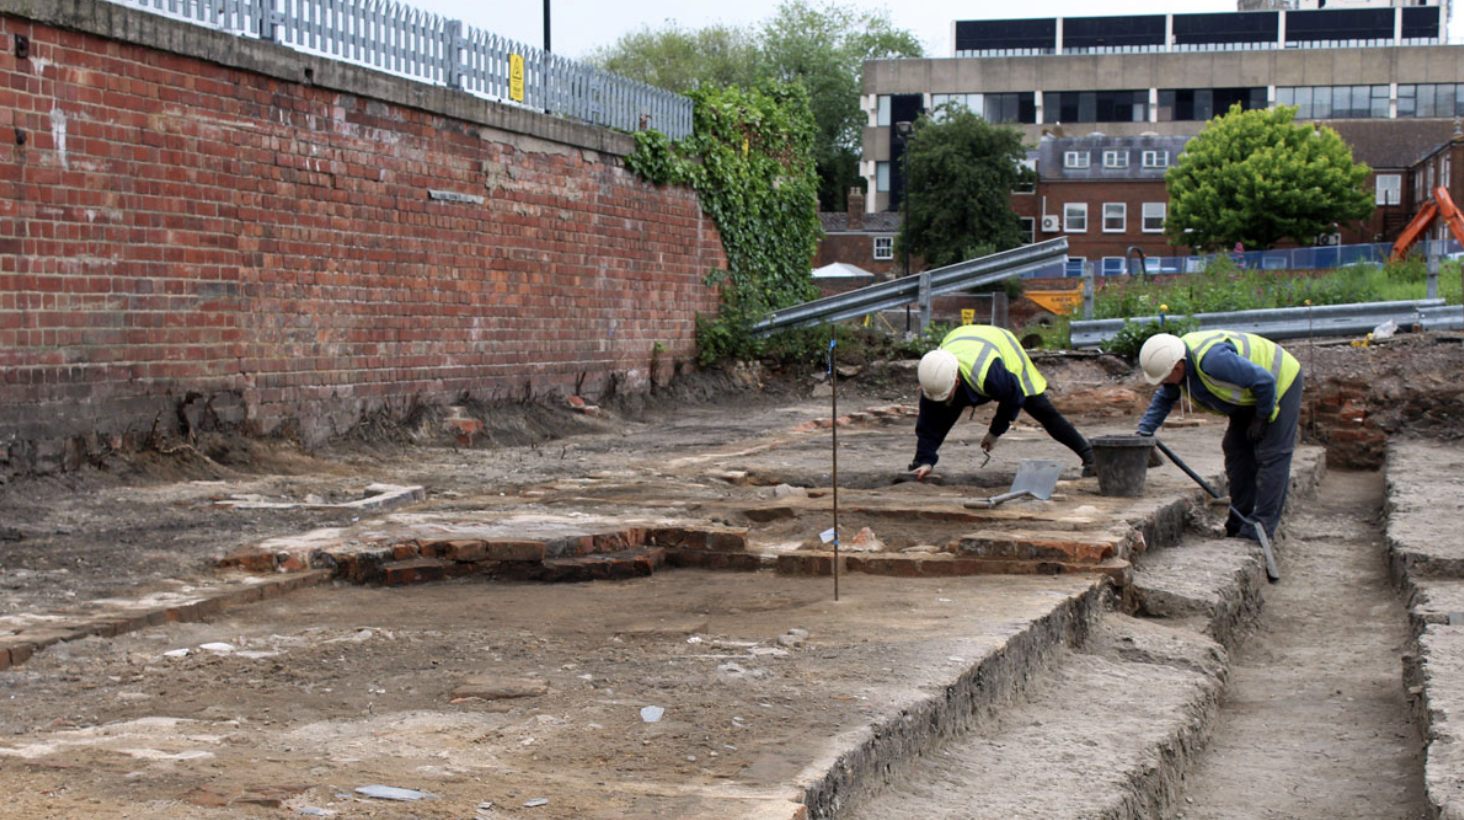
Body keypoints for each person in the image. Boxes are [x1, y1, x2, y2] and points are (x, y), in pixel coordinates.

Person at [1136, 330, 1303, 542]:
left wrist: (1262, 417)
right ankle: (1239, 521)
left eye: (1164, 378)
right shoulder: (1177, 363)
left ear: (1177, 367)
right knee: (1237, 451)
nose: (1163, 383)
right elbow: (1165, 398)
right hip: (1252, 394)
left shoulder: (1213, 361)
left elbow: (1265, 381)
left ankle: (1261, 526)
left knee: (1272, 455)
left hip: (1279, 383)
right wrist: (1144, 431)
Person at [909, 325, 1095, 480]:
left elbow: (1013, 398)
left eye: (946, 394)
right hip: (963, 339)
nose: (943, 399)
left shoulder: (992, 376)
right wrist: (925, 459)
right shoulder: (934, 375)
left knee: (1042, 410)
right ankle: (921, 463)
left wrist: (995, 432)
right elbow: (929, 421)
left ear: (956, 382)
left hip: (1002, 344)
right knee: (944, 410)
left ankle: (1091, 457)